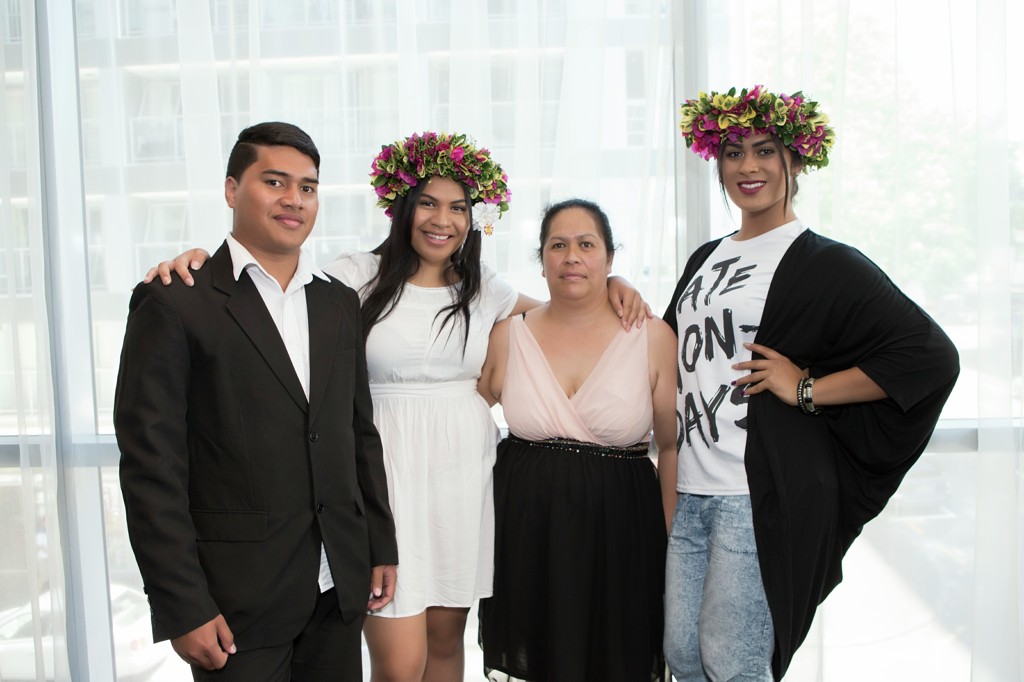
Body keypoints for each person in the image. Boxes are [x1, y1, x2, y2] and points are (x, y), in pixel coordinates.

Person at [145, 132, 650, 682]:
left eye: (458, 207)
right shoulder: (356, 277)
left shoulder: (484, 287)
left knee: (446, 645)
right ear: (404, 207)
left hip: (461, 479)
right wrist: (200, 260)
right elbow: (268, 286)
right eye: (428, 203)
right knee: (401, 662)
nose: (443, 220)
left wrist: (614, 281)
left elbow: (563, 308)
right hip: (384, 480)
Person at [662, 85, 960, 680]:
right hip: (693, 489)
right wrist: (616, 290)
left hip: (756, 494)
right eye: (733, 152)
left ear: (795, 161)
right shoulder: (705, 258)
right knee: (683, 656)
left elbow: (930, 356)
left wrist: (805, 389)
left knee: (734, 663)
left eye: (764, 150)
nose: (747, 166)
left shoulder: (823, 261)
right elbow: (668, 348)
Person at [114, 121, 398, 682]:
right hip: (234, 603)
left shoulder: (339, 302)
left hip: (336, 585)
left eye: (308, 187)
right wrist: (182, 605)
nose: (294, 199)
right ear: (231, 190)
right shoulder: (174, 300)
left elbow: (357, 433)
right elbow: (151, 466)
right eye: (274, 182)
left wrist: (379, 544)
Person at [477, 198, 678, 682]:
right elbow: (463, 419)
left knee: (617, 659)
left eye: (586, 245)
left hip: (624, 530)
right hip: (526, 532)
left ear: (610, 258)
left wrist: (671, 543)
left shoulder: (652, 336)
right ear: (541, 259)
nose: (572, 257)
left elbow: (672, 446)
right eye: (558, 245)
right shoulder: (506, 335)